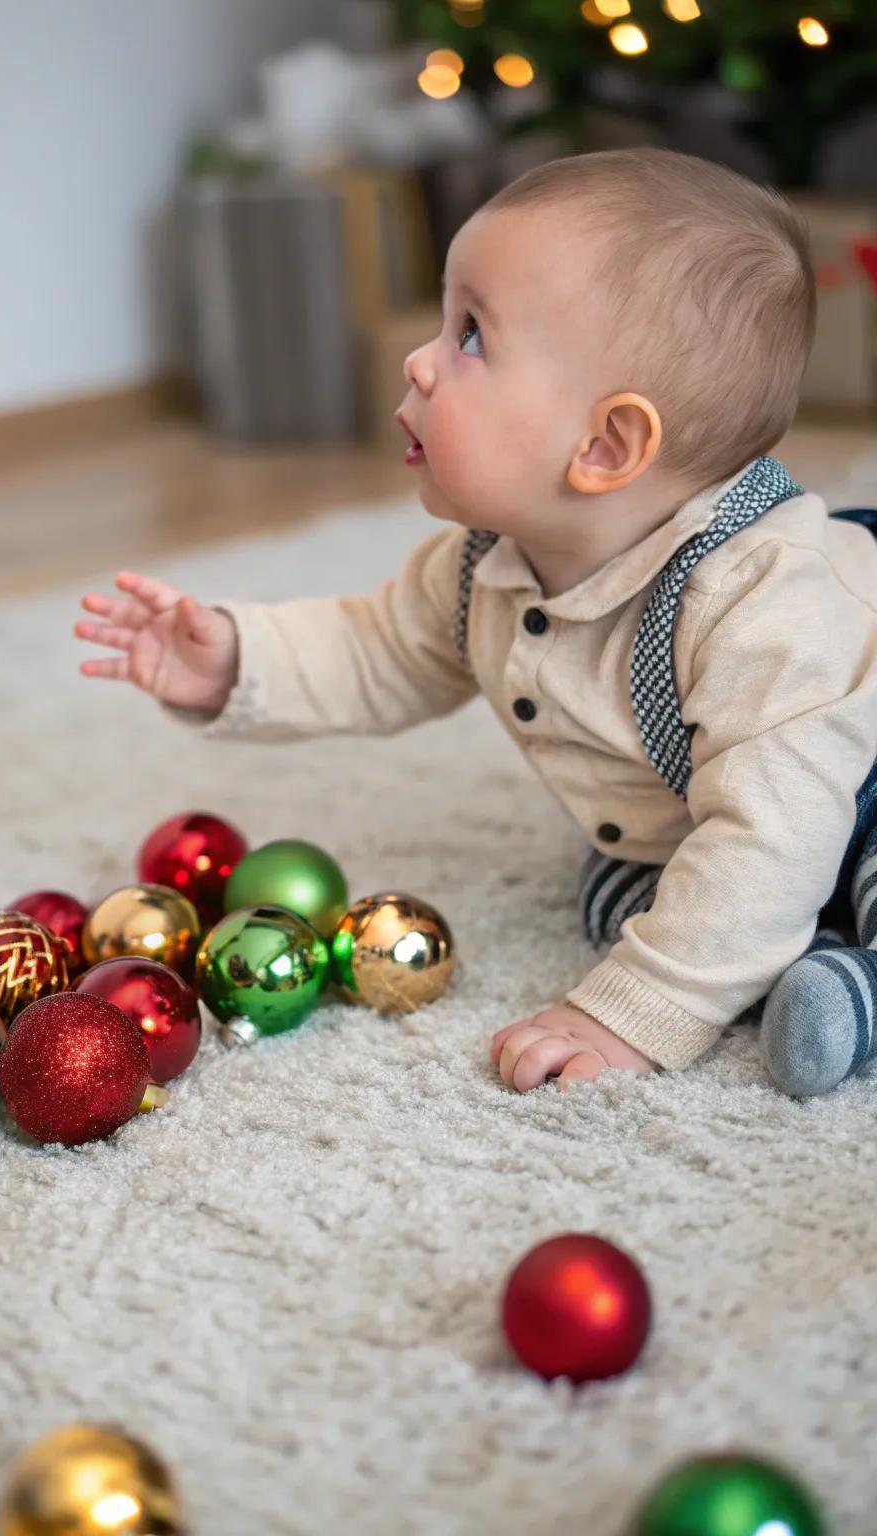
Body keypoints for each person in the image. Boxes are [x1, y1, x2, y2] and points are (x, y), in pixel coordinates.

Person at [74, 148, 877, 1099]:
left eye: (470, 336)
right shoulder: (484, 565)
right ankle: (778, 951)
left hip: (844, 785)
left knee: (785, 874)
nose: (419, 357)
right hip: (704, 813)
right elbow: (378, 649)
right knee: (619, 888)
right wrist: (234, 663)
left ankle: (842, 985)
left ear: (606, 446)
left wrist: (631, 1011)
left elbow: (775, 834)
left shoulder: (766, 606)